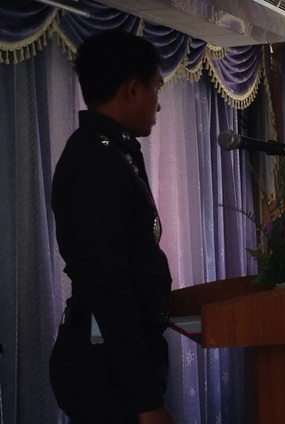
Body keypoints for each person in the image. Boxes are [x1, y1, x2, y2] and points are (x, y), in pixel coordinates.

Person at [49, 31, 174, 424]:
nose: (158, 102)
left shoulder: (111, 151)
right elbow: (108, 285)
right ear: (133, 90)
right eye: (156, 88)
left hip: (112, 359)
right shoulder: (98, 162)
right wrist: (145, 400)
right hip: (105, 369)